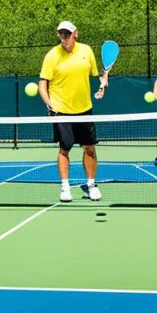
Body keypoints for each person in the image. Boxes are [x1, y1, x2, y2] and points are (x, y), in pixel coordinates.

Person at [38, 21, 108, 203]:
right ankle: (65, 187)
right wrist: (48, 103)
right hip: (61, 110)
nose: (64, 38)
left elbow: (97, 74)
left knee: (90, 148)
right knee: (64, 149)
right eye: (61, 34)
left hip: (84, 109)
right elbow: (42, 83)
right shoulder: (52, 56)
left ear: (75, 34)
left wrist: (103, 83)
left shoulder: (86, 51)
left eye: (67, 34)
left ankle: (91, 185)